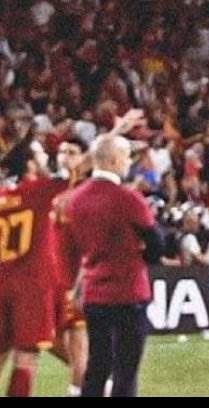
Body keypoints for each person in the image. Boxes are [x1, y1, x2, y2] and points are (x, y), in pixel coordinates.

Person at [64, 133, 164, 397]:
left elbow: (74, 246)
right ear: (114, 160)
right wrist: (141, 254)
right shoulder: (127, 199)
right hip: (129, 292)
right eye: (127, 157)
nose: (129, 162)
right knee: (125, 371)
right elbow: (157, 244)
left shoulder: (76, 199)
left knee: (97, 367)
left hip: (95, 293)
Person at [0, 136, 65, 396]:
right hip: (31, 288)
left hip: (2, 283)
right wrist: (116, 131)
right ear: (30, 164)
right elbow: (77, 170)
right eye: (40, 154)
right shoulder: (37, 191)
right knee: (26, 357)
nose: (45, 157)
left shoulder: (4, 196)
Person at [50, 138, 91, 397]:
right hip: (52, 281)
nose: (64, 156)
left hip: (72, 282)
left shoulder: (84, 194)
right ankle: (97, 378)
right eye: (62, 151)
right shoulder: (54, 190)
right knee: (46, 339)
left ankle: (78, 389)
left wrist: (80, 284)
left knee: (77, 346)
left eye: (72, 152)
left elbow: (89, 245)